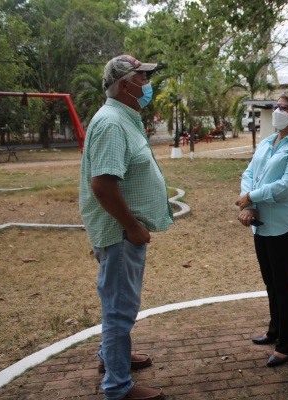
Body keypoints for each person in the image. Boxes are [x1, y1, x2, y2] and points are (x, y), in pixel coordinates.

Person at [79, 55, 173, 400]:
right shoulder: (112, 123)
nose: (148, 83)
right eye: (142, 77)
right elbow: (103, 185)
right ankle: (118, 387)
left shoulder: (122, 117)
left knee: (117, 301)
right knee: (119, 307)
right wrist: (132, 228)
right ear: (123, 85)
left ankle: (112, 356)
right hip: (120, 233)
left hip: (121, 232)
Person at [235, 93, 288, 367]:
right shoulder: (268, 141)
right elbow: (249, 173)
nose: (277, 111)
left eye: (284, 107)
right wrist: (249, 205)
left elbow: (286, 186)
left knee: (284, 285)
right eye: (275, 106)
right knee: (271, 282)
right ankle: (275, 330)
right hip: (262, 225)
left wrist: (251, 197)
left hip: (287, 226)